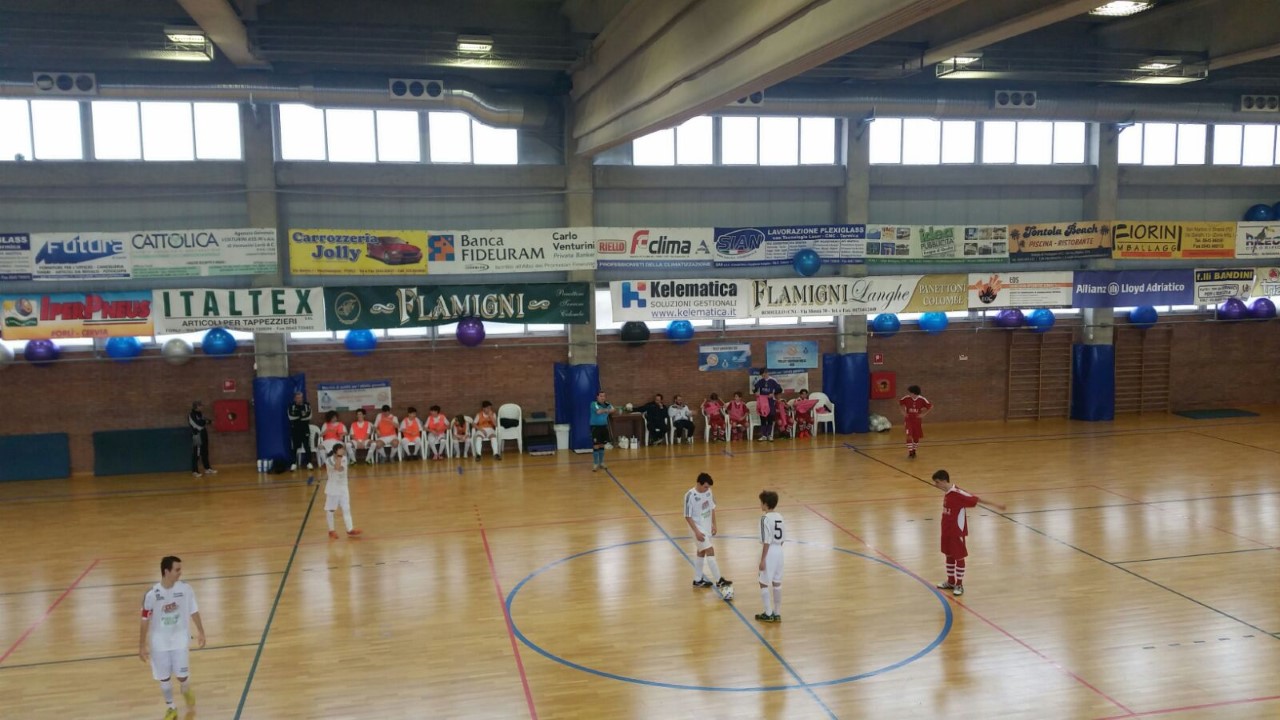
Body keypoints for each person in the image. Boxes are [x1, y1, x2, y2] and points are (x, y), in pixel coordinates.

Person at [139, 555, 206, 720]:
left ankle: (185, 688)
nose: (180, 573)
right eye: (177, 570)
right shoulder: (151, 594)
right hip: (159, 643)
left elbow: (193, 610)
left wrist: (201, 631)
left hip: (180, 640)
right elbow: (144, 620)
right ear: (166, 571)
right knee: (164, 677)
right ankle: (171, 708)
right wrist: (142, 645)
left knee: (182, 675)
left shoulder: (185, 589)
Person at [931, 469, 1005, 597]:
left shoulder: (958, 493)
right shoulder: (947, 493)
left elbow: (977, 499)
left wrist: (996, 505)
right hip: (946, 531)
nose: (935, 485)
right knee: (949, 556)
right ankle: (951, 581)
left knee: (958, 557)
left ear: (943, 481)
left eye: (937, 482)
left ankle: (959, 584)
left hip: (956, 532)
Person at [683, 472, 732, 592]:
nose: (707, 489)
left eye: (708, 487)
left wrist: (714, 524)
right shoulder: (690, 495)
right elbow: (687, 516)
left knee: (701, 552)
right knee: (710, 550)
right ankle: (719, 580)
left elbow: (712, 508)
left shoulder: (709, 492)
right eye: (705, 487)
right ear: (698, 484)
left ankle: (697, 580)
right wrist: (697, 532)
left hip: (706, 527)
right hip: (696, 528)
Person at [754, 489, 784, 623]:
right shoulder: (780, 516)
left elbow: (766, 540)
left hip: (770, 550)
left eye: (761, 503)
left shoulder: (764, 519)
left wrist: (763, 560)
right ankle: (777, 613)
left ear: (766, 504)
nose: (760, 505)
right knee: (777, 582)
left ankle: (768, 612)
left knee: (763, 582)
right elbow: (782, 539)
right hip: (780, 551)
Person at [324, 444, 362, 539]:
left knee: (346, 508)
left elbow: (340, 468)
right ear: (335, 451)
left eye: (343, 450)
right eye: (341, 450)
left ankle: (350, 529)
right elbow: (337, 467)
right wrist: (339, 456)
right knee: (331, 510)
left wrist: (340, 456)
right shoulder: (328, 460)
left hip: (343, 488)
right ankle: (331, 530)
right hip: (333, 488)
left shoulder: (344, 459)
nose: (343, 451)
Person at [900, 385, 934, 459]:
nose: (909, 394)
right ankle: (910, 452)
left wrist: (923, 414)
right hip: (908, 420)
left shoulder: (922, 399)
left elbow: (930, 406)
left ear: (914, 393)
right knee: (908, 435)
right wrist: (902, 412)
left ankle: (914, 450)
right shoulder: (906, 398)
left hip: (917, 421)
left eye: (910, 392)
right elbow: (900, 403)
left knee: (916, 437)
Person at [590, 390, 618, 472]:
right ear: (597, 397)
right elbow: (598, 411)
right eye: (601, 396)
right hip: (595, 427)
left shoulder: (607, 404)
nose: (602, 398)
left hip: (604, 427)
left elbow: (614, 410)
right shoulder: (593, 404)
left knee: (602, 445)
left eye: (604, 396)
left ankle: (601, 462)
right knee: (596, 445)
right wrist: (607, 410)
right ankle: (595, 464)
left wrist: (606, 410)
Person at [753, 370, 783, 441]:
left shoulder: (773, 380)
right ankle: (763, 435)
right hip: (762, 401)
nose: (763, 376)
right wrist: (756, 393)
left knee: (770, 418)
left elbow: (780, 389)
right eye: (762, 375)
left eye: (764, 375)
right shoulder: (761, 381)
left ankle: (769, 435)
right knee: (763, 418)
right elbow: (755, 389)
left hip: (770, 401)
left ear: (767, 373)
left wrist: (773, 394)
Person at [188, 401, 215, 478]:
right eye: (200, 406)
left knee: (205, 451)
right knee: (196, 453)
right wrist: (205, 422)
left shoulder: (200, 414)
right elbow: (198, 423)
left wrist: (207, 421)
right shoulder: (191, 415)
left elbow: (205, 420)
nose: (202, 407)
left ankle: (207, 468)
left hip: (203, 433)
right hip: (196, 435)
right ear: (196, 407)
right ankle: (195, 471)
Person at [288, 391, 313, 471]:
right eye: (297, 398)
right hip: (295, 429)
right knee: (294, 447)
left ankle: (309, 463)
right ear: (295, 398)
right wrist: (301, 415)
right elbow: (291, 417)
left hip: (305, 429)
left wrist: (298, 415)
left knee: (307, 446)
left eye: (301, 397)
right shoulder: (291, 406)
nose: (299, 399)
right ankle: (294, 463)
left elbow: (309, 416)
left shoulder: (307, 405)